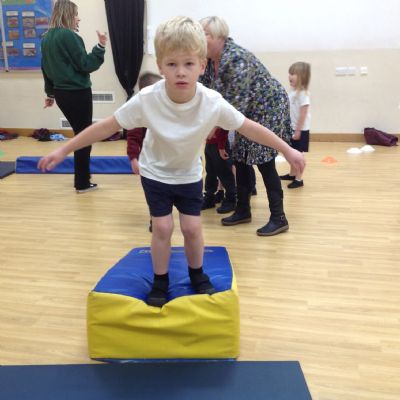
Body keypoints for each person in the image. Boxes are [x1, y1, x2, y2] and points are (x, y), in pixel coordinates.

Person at [38, 16, 305, 307]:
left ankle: (197, 273)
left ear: (202, 65)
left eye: (189, 64)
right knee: (163, 228)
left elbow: (249, 127)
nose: (180, 72)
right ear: (161, 66)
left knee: (192, 228)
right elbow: (107, 126)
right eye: (172, 64)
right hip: (155, 173)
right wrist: (64, 150)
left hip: (188, 175)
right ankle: (160, 280)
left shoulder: (211, 101)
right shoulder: (147, 99)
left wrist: (287, 150)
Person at [199, 16, 293, 236]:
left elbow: (234, 107)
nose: (200, 39)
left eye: (205, 34)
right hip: (247, 111)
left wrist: (213, 131)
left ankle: (279, 217)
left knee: (264, 160)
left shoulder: (235, 59)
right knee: (240, 157)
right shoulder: (210, 60)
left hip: (267, 108)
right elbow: (203, 92)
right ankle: (243, 210)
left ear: (219, 36)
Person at [41, 0, 107, 193]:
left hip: (61, 94)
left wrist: (50, 93)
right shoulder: (69, 36)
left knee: (81, 135)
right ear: (68, 14)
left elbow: (45, 68)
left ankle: (83, 177)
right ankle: (82, 182)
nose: (79, 18)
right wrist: (100, 46)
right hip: (77, 93)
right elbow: (86, 64)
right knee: (84, 137)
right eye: (76, 14)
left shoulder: (46, 37)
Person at [126, 71, 163, 232]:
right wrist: (133, 159)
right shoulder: (139, 111)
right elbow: (133, 137)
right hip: (149, 162)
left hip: (166, 159)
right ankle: (154, 217)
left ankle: (163, 215)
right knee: (154, 193)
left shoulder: (165, 108)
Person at [280, 62, 311, 188]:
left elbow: (303, 114)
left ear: (302, 76)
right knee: (290, 152)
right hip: (291, 128)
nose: (289, 76)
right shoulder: (293, 92)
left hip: (300, 130)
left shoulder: (303, 94)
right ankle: (292, 174)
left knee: (298, 156)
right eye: (289, 73)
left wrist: (298, 131)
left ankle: (299, 179)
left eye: (293, 74)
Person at [201, 127, 237, 214]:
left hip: (219, 145)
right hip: (209, 143)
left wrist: (221, 147)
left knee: (225, 173)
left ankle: (231, 200)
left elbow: (224, 126)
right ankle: (209, 198)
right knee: (210, 172)